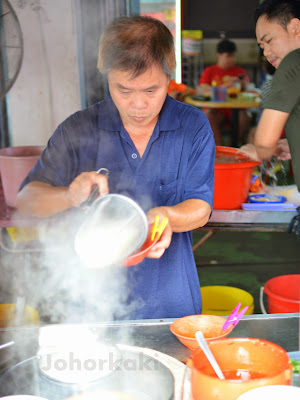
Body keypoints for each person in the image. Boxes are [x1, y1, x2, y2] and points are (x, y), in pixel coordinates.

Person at [16, 16, 215, 319]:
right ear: (106, 74)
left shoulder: (192, 126)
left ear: (169, 77)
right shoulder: (79, 128)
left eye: (151, 91)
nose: (138, 105)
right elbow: (27, 200)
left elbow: (201, 207)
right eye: (124, 90)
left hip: (171, 306)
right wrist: (69, 196)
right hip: (92, 306)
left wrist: (165, 216)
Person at [239, 0, 300, 238]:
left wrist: (255, 151)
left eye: (269, 40)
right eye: (261, 46)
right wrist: (292, 145)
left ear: (295, 27)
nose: (266, 52)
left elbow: (263, 143)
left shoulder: (293, 62)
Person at [199, 39, 251, 145]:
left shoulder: (240, 72)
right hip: (216, 109)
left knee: (244, 118)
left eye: (233, 56)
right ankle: (218, 150)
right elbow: (203, 90)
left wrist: (241, 84)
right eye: (228, 56)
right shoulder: (209, 71)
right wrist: (224, 86)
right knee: (208, 117)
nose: (232, 59)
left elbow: (249, 90)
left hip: (236, 109)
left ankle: (232, 147)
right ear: (219, 55)